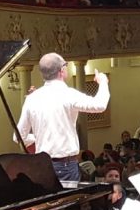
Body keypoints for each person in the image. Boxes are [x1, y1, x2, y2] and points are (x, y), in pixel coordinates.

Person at [15, 52, 110, 182]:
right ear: (62, 70)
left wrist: (39, 137)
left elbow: (18, 137)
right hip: (66, 166)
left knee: (48, 201)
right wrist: (103, 81)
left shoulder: (32, 98)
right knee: (68, 201)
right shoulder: (68, 94)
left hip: (42, 166)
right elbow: (100, 105)